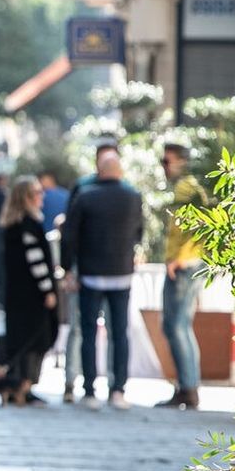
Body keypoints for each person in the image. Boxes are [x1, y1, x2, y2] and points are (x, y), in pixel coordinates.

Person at [62, 151, 144, 411]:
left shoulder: (86, 197)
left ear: (99, 170)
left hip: (91, 274)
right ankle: (118, 389)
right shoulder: (133, 197)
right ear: (119, 171)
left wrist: (67, 268)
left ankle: (89, 390)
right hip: (121, 273)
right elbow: (139, 232)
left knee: (88, 332)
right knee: (120, 333)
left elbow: (69, 236)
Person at [60, 141, 120, 402]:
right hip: (84, 267)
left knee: (113, 329)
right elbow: (70, 231)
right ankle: (72, 380)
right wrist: (69, 268)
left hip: (114, 270)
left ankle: (114, 384)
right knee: (79, 327)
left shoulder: (124, 192)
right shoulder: (83, 187)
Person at [0, 177, 59, 406]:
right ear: (26, 198)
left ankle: (15, 385)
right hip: (32, 296)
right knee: (35, 341)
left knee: (20, 339)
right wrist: (48, 291)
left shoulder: (12, 225)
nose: (42, 197)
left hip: (16, 294)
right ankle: (24, 385)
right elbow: (37, 262)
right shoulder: (28, 226)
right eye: (37, 193)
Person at [156, 143, 210, 410]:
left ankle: (188, 389)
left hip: (184, 265)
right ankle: (187, 387)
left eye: (168, 161)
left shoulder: (186, 189)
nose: (165, 167)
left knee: (175, 326)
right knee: (179, 326)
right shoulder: (188, 187)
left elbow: (195, 227)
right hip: (188, 263)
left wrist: (178, 258)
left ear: (181, 162)